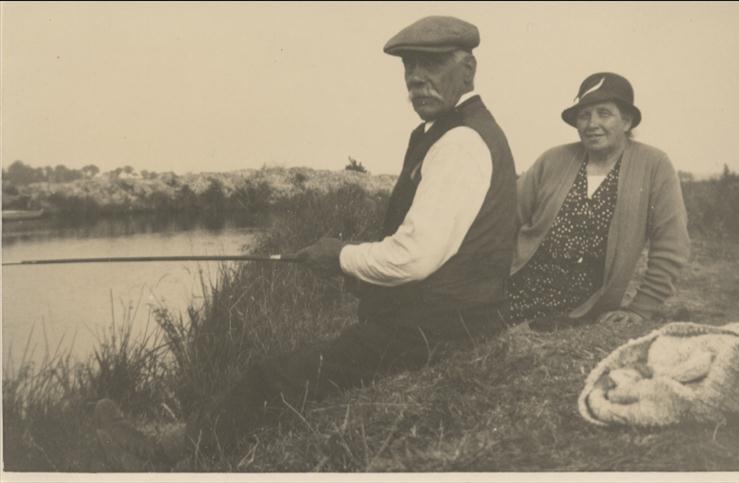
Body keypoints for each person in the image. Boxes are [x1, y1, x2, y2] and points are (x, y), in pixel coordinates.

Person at [96, 15, 517, 466]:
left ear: (468, 69)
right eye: (409, 67)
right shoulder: (453, 132)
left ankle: (162, 454)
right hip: (445, 320)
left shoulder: (461, 142)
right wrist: (348, 267)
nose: (416, 78)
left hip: (439, 332)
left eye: (431, 64)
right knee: (309, 365)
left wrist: (340, 257)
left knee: (269, 377)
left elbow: (414, 258)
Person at [507, 72, 690, 330]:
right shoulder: (553, 159)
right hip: (518, 284)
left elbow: (672, 243)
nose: (592, 123)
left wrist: (641, 309)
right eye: (584, 115)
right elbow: (507, 218)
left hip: (585, 306)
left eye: (604, 113)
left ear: (626, 122)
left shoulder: (654, 165)